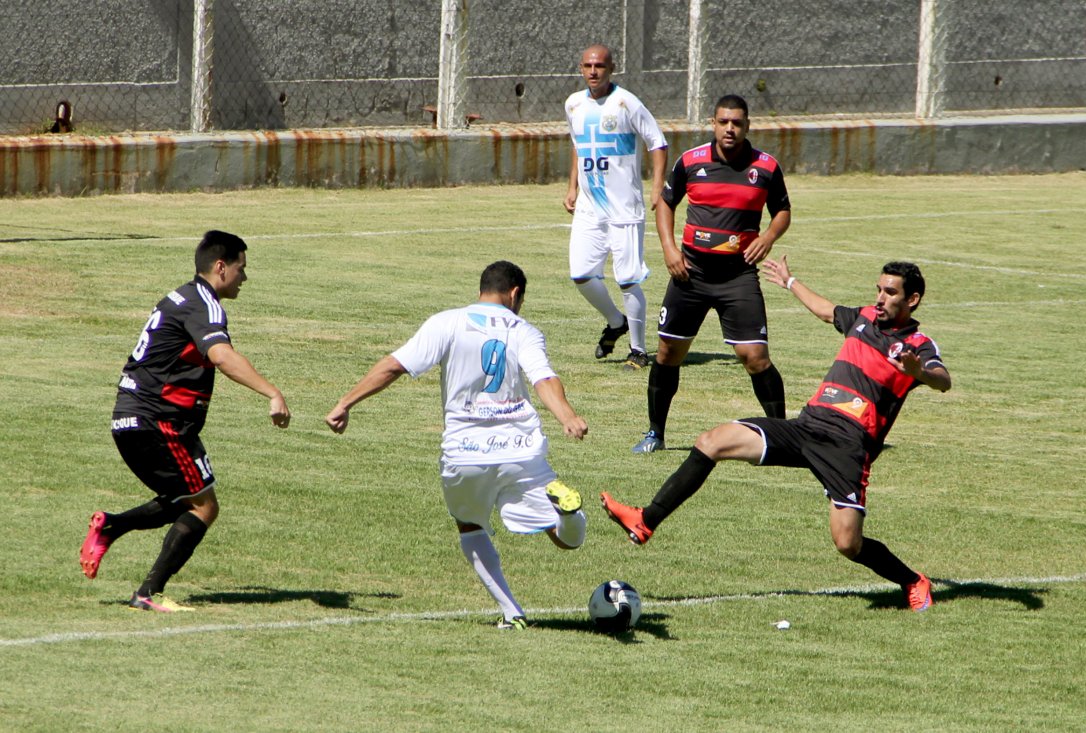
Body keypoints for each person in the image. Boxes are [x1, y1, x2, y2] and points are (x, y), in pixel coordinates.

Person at [602, 257, 951, 612]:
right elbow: (827, 311)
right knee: (712, 442)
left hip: (847, 449)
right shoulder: (864, 318)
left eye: (890, 292)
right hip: (807, 427)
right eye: (878, 289)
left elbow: (943, 380)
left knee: (848, 544)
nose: (879, 298)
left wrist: (918, 370)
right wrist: (789, 281)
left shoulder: (918, 345)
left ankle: (912, 580)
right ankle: (645, 521)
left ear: (912, 300)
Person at [325, 261, 588, 630]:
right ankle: (569, 514)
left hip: (466, 453)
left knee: (470, 524)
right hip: (520, 451)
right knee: (566, 541)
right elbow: (544, 378)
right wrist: (567, 417)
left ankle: (513, 613)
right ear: (515, 295)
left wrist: (344, 403)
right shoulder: (524, 331)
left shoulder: (446, 322)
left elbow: (393, 366)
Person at [80, 230, 291, 612]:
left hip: (138, 417)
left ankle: (112, 527)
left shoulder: (180, 296)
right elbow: (223, 357)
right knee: (203, 507)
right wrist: (272, 392)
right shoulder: (203, 306)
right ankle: (147, 593)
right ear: (221, 267)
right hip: (157, 422)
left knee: (190, 499)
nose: (245, 277)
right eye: (242, 268)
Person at [633, 93, 790, 453]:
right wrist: (670, 250)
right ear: (713, 124)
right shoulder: (691, 161)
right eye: (723, 122)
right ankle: (655, 433)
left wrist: (767, 236)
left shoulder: (765, 167)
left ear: (747, 125)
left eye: (737, 122)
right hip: (691, 274)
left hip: (738, 276)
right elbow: (666, 204)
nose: (730, 129)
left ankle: (784, 436)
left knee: (755, 357)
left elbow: (782, 209)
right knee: (668, 352)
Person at [564, 43, 668, 371]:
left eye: (600, 66)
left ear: (611, 69)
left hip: (624, 207)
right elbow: (577, 145)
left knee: (627, 278)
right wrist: (572, 186)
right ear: (581, 69)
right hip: (589, 207)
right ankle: (615, 321)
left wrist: (656, 188)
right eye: (587, 66)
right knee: (580, 273)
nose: (593, 72)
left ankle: (638, 350)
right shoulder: (573, 104)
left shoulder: (626, 102)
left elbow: (657, 142)